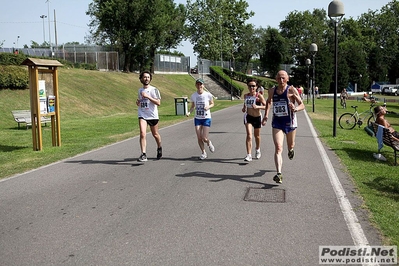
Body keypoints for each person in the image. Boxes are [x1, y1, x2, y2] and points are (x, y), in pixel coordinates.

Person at [263, 70, 305, 184]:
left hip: (290, 122)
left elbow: (302, 105)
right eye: (279, 78)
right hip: (277, 123)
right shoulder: (272, 91)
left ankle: (291, 150)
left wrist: (295, 108)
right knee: (278, 147)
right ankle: (279, 173)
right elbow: (268, 102)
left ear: (287, 79)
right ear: (276, 79)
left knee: (290, 145)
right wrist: (266, 116)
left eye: (283, 78)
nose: (281, 80)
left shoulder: (291, 90)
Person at [136, 71, 162, 162]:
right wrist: (138, 102)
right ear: (141, 79)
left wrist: (148, 96)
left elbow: (158, 103)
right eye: (144, 77)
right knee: (142, 133)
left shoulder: (154, 90)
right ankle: (143, 154)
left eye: (148, 77)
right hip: (142, 114)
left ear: (150, 79)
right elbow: (141, 101)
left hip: (152, 115)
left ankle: (159, 147)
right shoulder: (140, 90)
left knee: (155, 134)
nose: (146, 79)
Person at [186, 78, 215, 160]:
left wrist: (208, 107)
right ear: (196, 85)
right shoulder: (193, 95)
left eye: (201, 84)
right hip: (197, 118)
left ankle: (209, 142)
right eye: (198, 84)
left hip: (206, 117)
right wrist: (189, 112)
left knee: (204, 138)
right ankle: (203, 153)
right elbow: (192, 106)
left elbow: (212, 103)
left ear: (203, 85)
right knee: (199, 137)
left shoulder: (208, 95)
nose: (199, 86)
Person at [242, 78, 266, 161]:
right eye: (250, 86)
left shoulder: (259, 96)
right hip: (248, 117)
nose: (252, 88)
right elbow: (245, 105)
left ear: (256, 87)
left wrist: (258, 106)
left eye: (253, 86)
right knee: (249, 135)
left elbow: (266, 106)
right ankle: (249, 155)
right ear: (248, 87)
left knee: (257, 136)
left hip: (257, 117)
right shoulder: (246, 96)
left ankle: (258, 149)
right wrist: (244, 108)